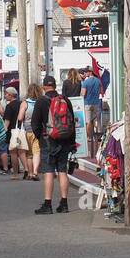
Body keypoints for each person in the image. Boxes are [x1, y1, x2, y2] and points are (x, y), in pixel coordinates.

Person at [31, 74, 76, 214]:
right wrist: (72, 143)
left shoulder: (41, 101)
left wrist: (40, 138)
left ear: (44, 86)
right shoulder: (65, 100)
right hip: (65, 140)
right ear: (55, 86)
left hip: (48, 141)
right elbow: (72, 122)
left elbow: (35, 124)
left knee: (49, 172)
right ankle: (64, 203)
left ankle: (48, 204)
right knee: (62, 171)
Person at [3, 87, 30, 180]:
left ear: (10, 95)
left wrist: (4, 131)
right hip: (22, 130)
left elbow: (7, 122)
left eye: (6, 94)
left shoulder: (9, 106)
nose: (5, 96)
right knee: (22, 152)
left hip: (12, 132)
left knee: (13, 153)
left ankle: (15, 173)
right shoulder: (21, 104)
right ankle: (27, 169)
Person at [81, 67, 103, 157]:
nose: (85, 73)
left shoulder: (86, 82)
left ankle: (89, 137)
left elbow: (83, 93)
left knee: (88, 121)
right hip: (97, 103)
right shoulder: (98, 81)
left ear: (90, 72)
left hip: (88, 103)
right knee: (97, 120)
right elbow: (101, 91)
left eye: (86, 72)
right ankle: (97, 136)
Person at [23, 83, 43, 181]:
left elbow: (19, 117)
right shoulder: (41, 102)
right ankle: (35, 172)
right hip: (38, 130)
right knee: (37, 152)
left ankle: (30, 173)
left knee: (29, 154)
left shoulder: (25, 103)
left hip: (27, 131)